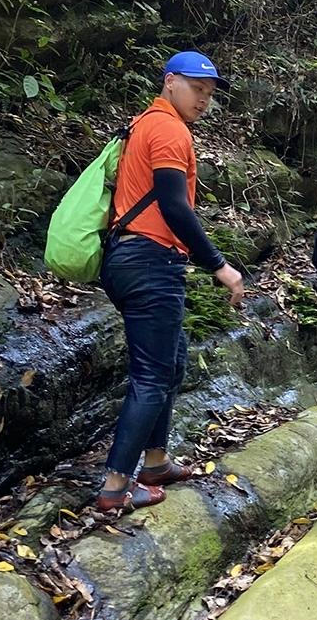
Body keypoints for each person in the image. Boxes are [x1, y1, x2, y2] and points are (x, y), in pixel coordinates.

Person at [96, 51, 244, 511]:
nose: (204, 99)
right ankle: (115, 487)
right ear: (169, 83)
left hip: (135, 259)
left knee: (172, 361)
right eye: (196, 89)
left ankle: (155, 462)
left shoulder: (148, 123)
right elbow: (174, 206)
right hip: (148, 261)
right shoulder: (166, 128)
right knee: (153, 374)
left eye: (209, 93)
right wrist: (219, 265)